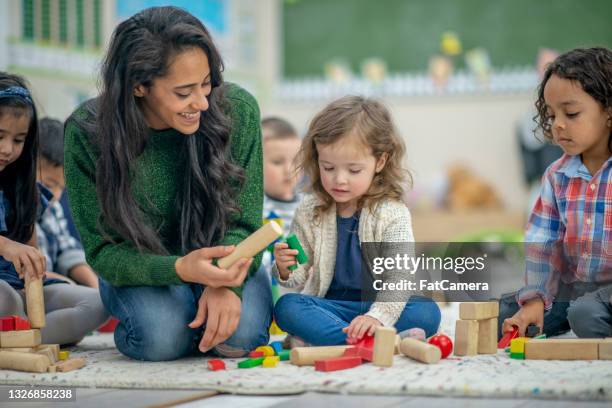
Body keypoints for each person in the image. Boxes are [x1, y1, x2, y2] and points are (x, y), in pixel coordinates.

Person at [64, 6, 271, 361]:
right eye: (183, 92)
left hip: (225, 260)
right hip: (144, 268)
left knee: (243, 337)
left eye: (206, 84)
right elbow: (103, 251)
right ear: (139, 85)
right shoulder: (88, 133)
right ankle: (181, 321)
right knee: (161, 339)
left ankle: (197, 316)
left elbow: (245, 223)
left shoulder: (238, 110)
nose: (202, 103)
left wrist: (226, 283)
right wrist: (178, 269)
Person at [272, 96, 441, 346]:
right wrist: (285, 268)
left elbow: (400, 276)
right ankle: (377, 343)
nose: (339, 179)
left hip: (381, 307)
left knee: (427, 312)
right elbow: (297, 277)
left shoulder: (393, 213)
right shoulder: (309, 209)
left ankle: (339, 339)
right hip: (332, 307)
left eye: (353, 170)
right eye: (328, 167)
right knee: (287, 306)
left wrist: (378, 317)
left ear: (380, 162)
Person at [500, 47, 612, 339]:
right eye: (551, 115)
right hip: (575, 289)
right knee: (506, 310)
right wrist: (536, 298)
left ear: (609, 112)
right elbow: (542, 242)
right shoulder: (556, 176)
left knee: (585, 314)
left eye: (571, 113)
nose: (558, 124)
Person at [0, 72, 108, 345]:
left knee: (99, 302)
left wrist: (36, 268)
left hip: (18, 290)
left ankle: (20, 340)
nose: (7, 149)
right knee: (6, 298)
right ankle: (22, 334)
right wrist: (7, 246)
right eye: (0, 135)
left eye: (18, 139)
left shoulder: (23, 189)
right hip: (5, 294)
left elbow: (29, 252)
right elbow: (13, 250)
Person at [37, 117, 99, 288]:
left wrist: (95, 287)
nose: (54, 195)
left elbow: (68, 251)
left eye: (61, 188)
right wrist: (61, 280)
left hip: (53, 284)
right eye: (49, 184)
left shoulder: (52, 208)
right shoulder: (11, 206)